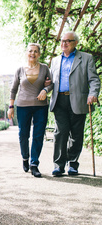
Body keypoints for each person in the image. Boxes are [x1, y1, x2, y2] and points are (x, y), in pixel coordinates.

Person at [49, 31, 100, 177]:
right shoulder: (55, 61)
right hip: (59, 100)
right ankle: (58, 165)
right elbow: (51, 81)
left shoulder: (86, 58)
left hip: (79, 99)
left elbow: (94, 80)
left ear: (75, 43)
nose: (64, 43)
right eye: (62, 40)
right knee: (60, 133)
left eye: (68, 41)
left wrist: (93, 94)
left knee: (76, 135)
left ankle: (72, 164)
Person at [8, 43, 53, 178]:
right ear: (26, 53)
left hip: (41, 106)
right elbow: (13, 89)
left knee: (38, 135)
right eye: (30, 51)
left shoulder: (44, 68)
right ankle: (25, 158)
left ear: (39, 54)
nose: (32, 53)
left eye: (35, 51)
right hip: (22, 106)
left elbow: (51, 83)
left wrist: (45, 90)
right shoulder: (20, 70)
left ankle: (34, 164)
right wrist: (11, 107)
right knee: (23, 134)